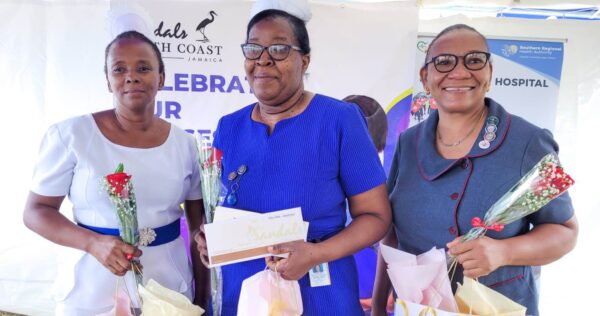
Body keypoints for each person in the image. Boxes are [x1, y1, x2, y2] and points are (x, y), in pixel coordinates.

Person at [194, 5, 391, 316]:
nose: (263, 59)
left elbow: (376, 217)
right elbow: (225, 208)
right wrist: (212, 242)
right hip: (243, 295)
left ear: (305, 59)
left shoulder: (339, 120)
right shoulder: (229, 127)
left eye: (278, 48)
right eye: (253, 48)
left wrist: (315, 253)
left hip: (318, 291)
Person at [371, 24, 578, 316]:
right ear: (425, 78)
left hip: (495, 306)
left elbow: (566, 231)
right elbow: (391, 235)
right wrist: (380, 304)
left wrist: (504, 252)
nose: (459, 72)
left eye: (474, 60)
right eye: (444, 62)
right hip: (418, 307)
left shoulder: (530, 141)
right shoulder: (408, 142)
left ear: (490, 73)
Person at [23, 30, 206, 315]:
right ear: (108, 80)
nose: (131, 76)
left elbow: (199, 229)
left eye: (143, 68)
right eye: (119, 69)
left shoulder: (185, 144)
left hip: (168, 288)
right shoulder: (71, 135)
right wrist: (93, 243)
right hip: (91, 288)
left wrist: (202, 298)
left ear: (161, 77)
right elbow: (36, 211)